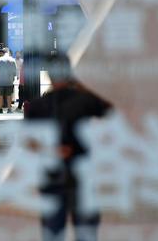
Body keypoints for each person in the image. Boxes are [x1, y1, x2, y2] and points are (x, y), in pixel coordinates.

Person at [26, 54, 111, 241]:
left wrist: (52, 151)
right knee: (86, 229)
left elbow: (28, 141)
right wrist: (81, 85)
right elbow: (109, 110)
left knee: (53, 230)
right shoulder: (84, 99)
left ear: (48, 74)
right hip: (83, 173)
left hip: (52, 175)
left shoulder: (38, 105)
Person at [0, 47, 17, 114]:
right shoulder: (12, 60)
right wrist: (13, 77)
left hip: (1, 80)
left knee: (0, 95)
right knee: (9, 95)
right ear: (8, 52)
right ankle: (9, 109)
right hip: (9, 80)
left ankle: (0, 109)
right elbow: (14, 71)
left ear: (2, 52)